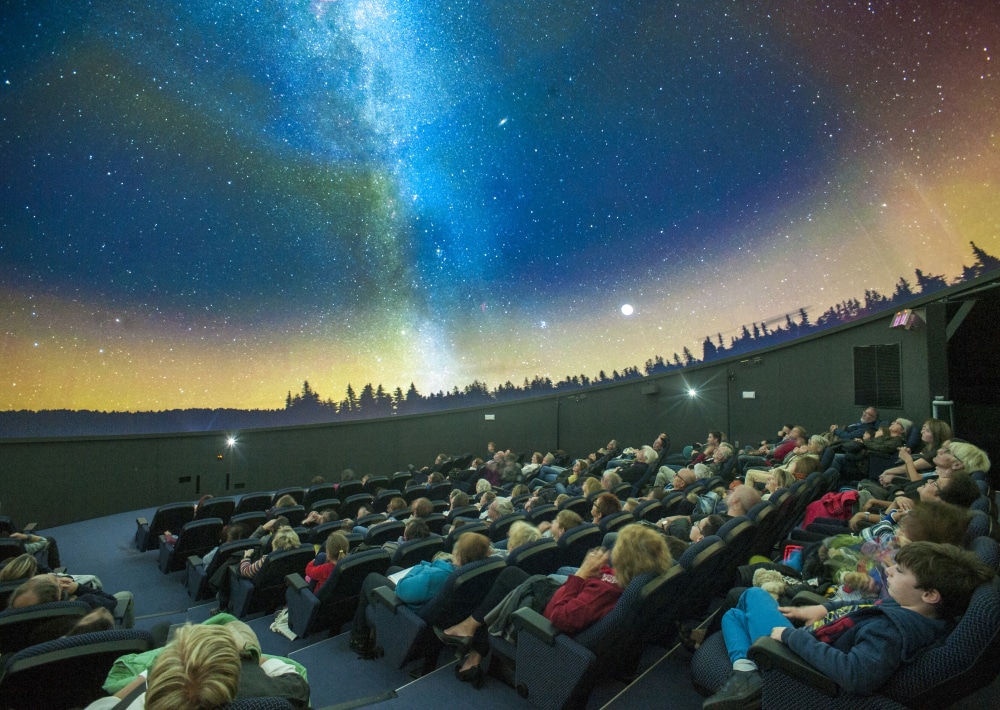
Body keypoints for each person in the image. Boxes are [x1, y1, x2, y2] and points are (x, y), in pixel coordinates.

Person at [703, 541, 993, 708]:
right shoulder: (913, 610)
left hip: (796, 660)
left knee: (752, 594)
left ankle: (753, 674)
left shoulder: (892, 633)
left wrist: (791, 638)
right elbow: (864, 608)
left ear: (930, 594)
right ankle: (746, 671)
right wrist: (825, 607)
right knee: (734, 615)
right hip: (811, 639)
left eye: (900, 571)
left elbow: (855, 675)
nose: (889, 570)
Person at [441, 524, 673, 682]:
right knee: (513, 578)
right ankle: (473, 640)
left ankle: (473, 637)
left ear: (625, 557)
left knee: (509, 578)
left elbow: (557, 616)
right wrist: (593, 571)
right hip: (572, 595)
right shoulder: (632, 577)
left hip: (549, 621)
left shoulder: (606, 590)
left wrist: (582, 573)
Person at [86, 622, 310, 709]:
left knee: (159, 631)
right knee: (236, 627)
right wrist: (246, 653)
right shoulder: (268, 700)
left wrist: (149, 674)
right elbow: (295, 680)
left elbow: (116, 701)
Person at [349, 532, 492, 657]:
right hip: (437, 609)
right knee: (392, 570)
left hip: (411, 616)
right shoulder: (478, 573)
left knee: (371, 579)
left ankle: (359, 638)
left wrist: (419, 568)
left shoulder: (438, 575)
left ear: (458, 555)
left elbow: (402, 590)